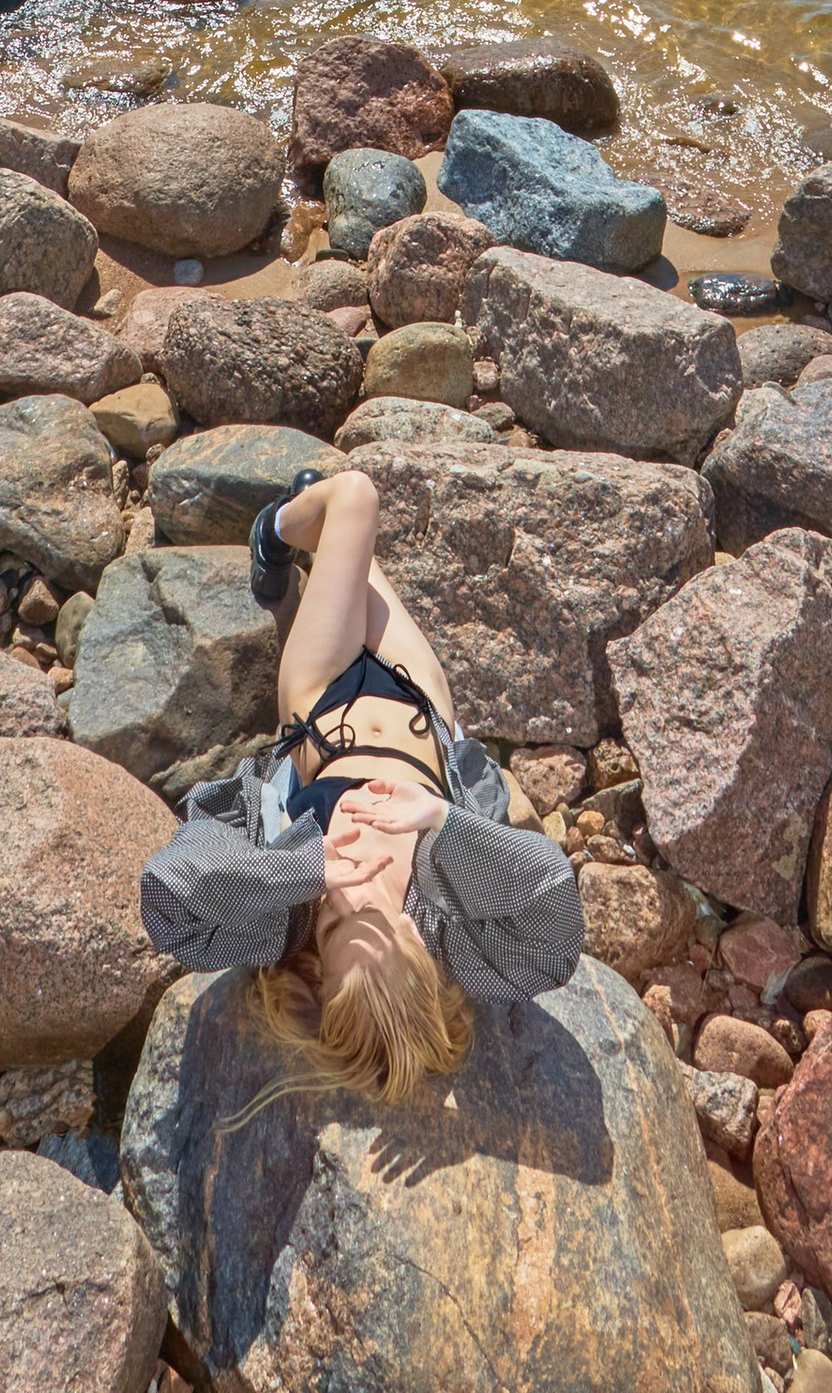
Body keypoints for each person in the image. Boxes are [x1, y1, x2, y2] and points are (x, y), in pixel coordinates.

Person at [138, 460, 583, 1101]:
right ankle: (297, 545)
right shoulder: (450, 929)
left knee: (354, 497)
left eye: (335, 925)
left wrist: (301, 873)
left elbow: (168, 898)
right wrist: (439, 821)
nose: (354, 890)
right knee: (350, 549)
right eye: (377, 912)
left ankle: (272, 534)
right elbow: (557, 924)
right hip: (419, 706)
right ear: (417, 940)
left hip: (323, 701)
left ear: (316, 959)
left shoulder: (285, 917)